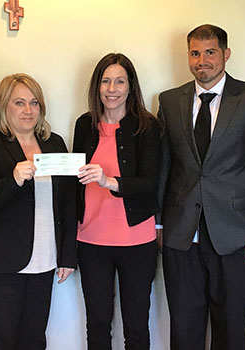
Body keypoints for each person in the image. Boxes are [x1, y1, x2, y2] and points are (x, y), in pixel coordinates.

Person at [157, 24, 245, 350]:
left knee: (230, 331)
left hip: (237, 236)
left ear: (225, 54)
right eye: (195, 53)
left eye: (210, 52)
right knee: (184, 331)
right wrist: (158, 222)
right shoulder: (170, 101)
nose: (203, 60)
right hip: (181, 236)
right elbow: (163, 167)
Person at [0, 73, 77, 350]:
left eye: (34, 103)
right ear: (3, 106)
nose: (28, 110)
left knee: (34, 339)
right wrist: (13, 181)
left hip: (46, 260)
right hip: (3, 264)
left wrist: (68, 255)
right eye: (19, 103)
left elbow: (68, 203)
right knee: (1, 341)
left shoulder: (54, 144)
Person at [73, 53, 162, 350]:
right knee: (97, 324)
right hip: (91, 241)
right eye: (106, 80)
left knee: (136, 325)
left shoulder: (147, 127)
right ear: (97, 86)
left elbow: (150, 184)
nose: (112, 88)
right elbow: (76, 181)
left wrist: (110, 181)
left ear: (130, 86)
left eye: (119, 81)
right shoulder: (84, 125)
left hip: (136, 241)